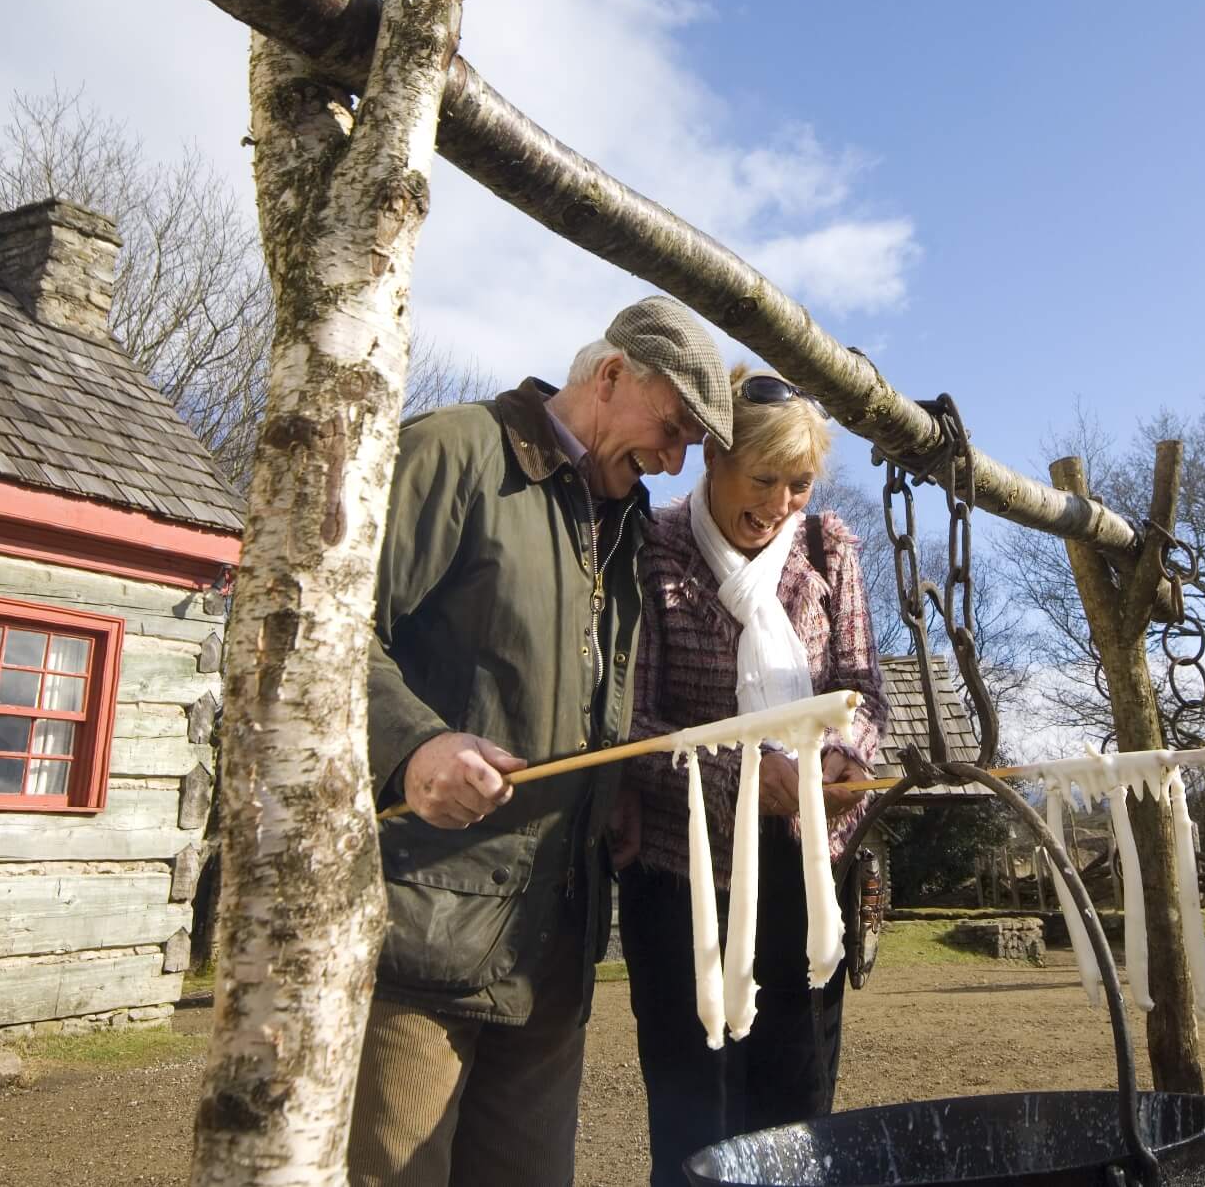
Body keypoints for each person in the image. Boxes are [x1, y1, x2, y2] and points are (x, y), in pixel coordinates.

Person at [350, 296, 734, 1187]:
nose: (674, 464)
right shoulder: (454, 452)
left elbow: (576, 697)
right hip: (419, 938)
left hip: (550, 955)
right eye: (671, 428)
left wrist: (620, 797)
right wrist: (414, 749)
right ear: (608, 377)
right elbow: (321, 631)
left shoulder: (627, 525)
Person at [612, 364, 888, 1187]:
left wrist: (846, 752)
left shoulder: (827, 549)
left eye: (797, 484)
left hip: (805, 871)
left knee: (799, 1106)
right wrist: (740, 774)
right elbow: (628, 721)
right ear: (714, 462)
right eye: (762, 479)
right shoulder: (651, 549)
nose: (778, 504)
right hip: (684, 880)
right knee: (696, 1113)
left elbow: (864, 686)